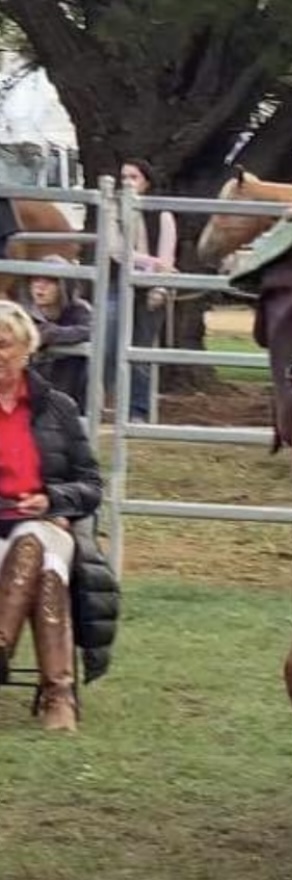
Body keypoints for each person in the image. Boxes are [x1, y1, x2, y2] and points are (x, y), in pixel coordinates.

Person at [0, 301, 102, 731]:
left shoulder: (57, 407)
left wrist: (52, 500)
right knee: (47, 570)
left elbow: (91, 484)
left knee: (34, 541)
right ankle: (59, 697)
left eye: (3, 345)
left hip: (45, 523)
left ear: (27, 349)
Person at [106, 158, 176, 422]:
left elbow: (167, 256)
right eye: (123, 177)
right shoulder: (114, 209)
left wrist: (159, 284)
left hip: (151, 287)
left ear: (146, 182)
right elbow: (115, 250)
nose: (127, 183)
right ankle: (99, 399)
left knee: (142, 350)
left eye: (133, 177)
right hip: (118, 283)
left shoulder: (163, 214)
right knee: (107, 341)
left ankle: (138, 410)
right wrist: (153, 262)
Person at [23, 257, 93, 408]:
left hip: (72, 388)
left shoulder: (80, 309)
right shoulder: (25, 314)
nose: (40, 287)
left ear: (64, 286)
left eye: (49, 281)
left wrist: (54, 334)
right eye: (36, 280)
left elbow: (92, 331)